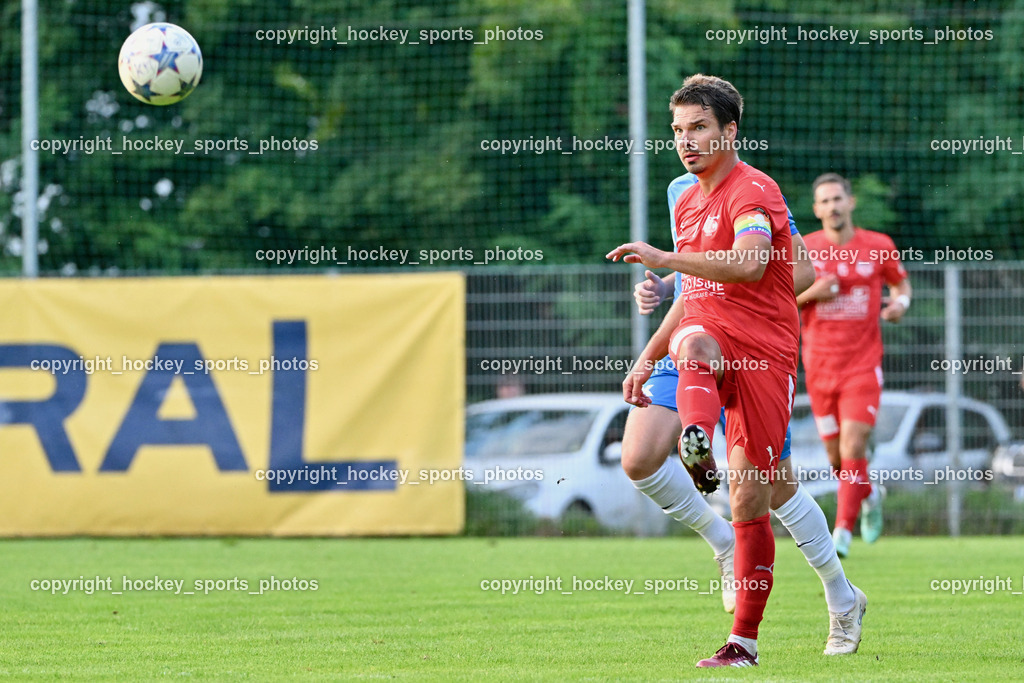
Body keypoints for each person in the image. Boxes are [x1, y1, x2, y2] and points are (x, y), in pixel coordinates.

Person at [608, 74, 865, 668]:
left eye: (698, 128)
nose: (686, 141)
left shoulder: (756, 191)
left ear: (730, 131)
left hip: (763, 350)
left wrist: (671, 262)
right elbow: (698, 284)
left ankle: (826, 599)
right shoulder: (683, 193)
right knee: (661, 412)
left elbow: (761, 266)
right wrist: (647, 356)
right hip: (702, 337)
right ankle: (700, 446)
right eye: (677, 130)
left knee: (758, 491)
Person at [796, 173, 912, 558]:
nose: (832, 207)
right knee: (837, 459)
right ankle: (870, 494)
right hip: (819, 369)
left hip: (862, 367)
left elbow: (901, 286)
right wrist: (816, 291)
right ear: (816, 210)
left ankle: (841, 533)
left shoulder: (878, 246)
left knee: (853, 445)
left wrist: (900, 306)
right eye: (824, 201)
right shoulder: (805, 249)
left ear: (851, 202)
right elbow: (781, 302)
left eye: (837, 199)